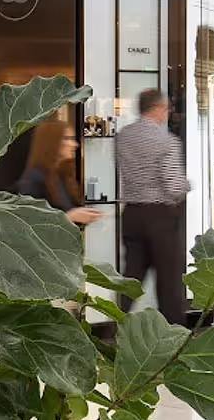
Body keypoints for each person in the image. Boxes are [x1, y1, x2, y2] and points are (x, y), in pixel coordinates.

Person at [115, 88, 191, 325]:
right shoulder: (166, 141)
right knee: (169, 280)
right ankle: (174, 335)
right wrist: (188, 185)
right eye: (166, 109)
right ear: (158, 108)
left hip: (132, 213)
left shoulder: (123, 137)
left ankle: (117, 322)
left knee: (133, 276)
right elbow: (173, 185)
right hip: (160, 216)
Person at [15, 119, 102, 225]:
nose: (74, 144)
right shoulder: (33, 178)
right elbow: (30, 221)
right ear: (50, 142)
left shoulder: (59, 175)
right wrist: (70, 216)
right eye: (67, 139)